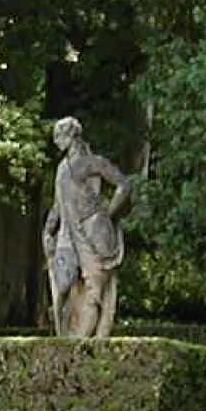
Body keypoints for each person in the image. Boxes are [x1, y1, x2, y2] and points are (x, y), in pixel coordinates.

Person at [42, 116, 131, 338]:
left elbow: (123, 184)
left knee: (94, 293)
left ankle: (83, 342)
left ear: (71, 136)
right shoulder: (62, 168)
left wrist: (107, 214)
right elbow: (57, 204)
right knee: (62, 287)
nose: (56, 140)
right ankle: (66, 338)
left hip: (91, 232)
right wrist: (48, 229)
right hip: (67, 235)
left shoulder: (92, 162)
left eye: (59, 135)